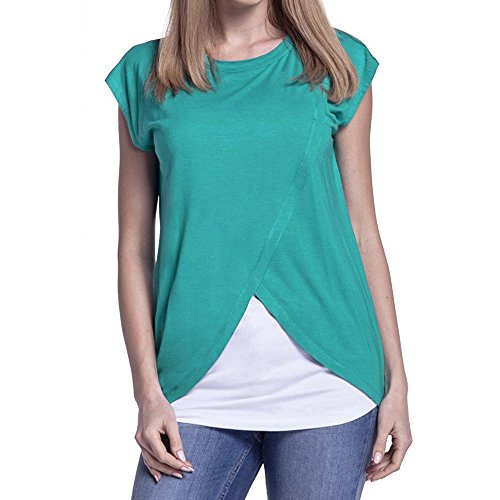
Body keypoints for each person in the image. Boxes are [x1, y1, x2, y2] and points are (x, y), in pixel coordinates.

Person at [104, 0, 412, 498]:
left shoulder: (335, 62)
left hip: (328, 381)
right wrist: (147, 391)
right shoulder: (150, 74)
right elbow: (133, 248)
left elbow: (363, 230)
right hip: (195, 385)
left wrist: (397, 381)